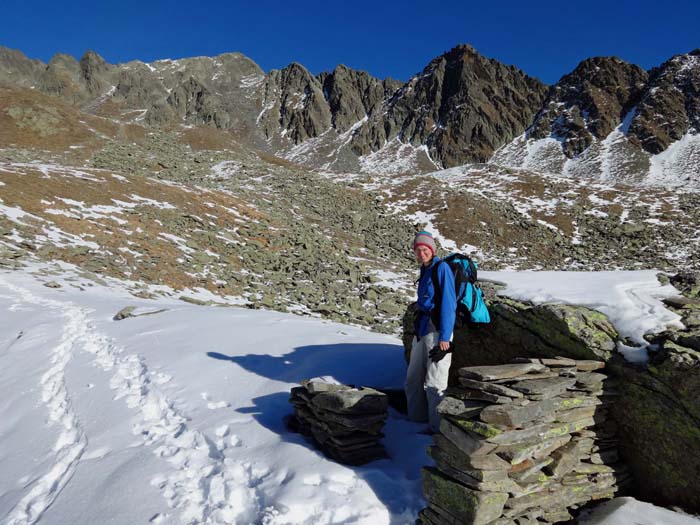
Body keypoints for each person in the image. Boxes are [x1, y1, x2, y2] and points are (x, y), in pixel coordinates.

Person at [405, 231, 456, 433]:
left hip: (437, 331)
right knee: (413, 378)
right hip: (422, 329)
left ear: (432, 250)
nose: (422, 253)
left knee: (434, 382)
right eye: (418, 250)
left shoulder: (441, 268)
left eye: (425, 249)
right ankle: (414, 421)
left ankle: (436, 429)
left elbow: (449, 303)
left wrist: (445, 337)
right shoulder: (424, 269)